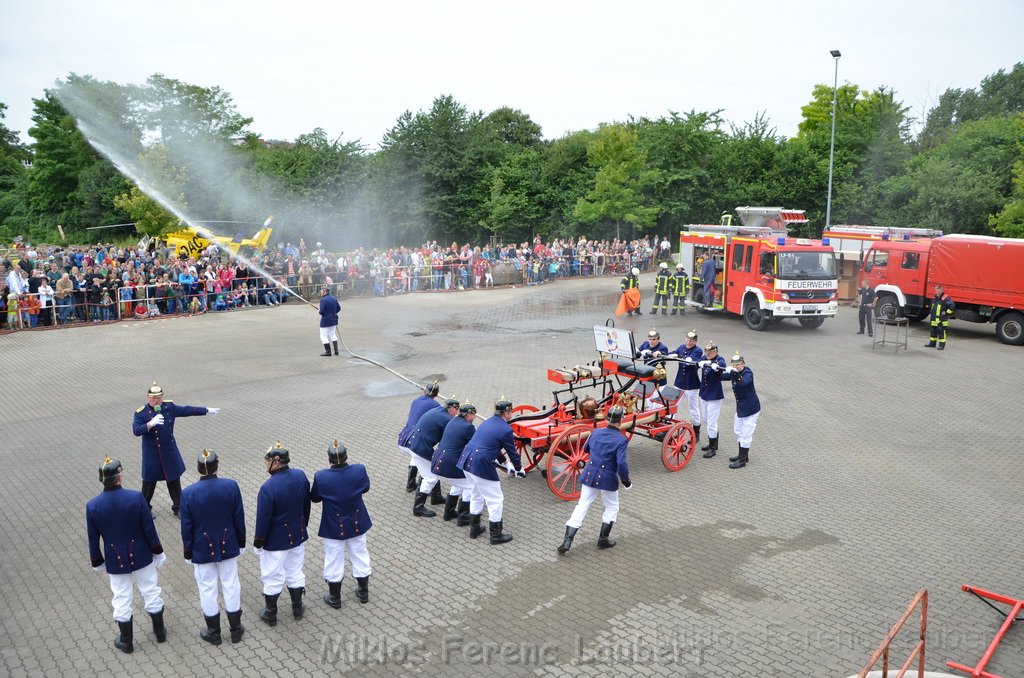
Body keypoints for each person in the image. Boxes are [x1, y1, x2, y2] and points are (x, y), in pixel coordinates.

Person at [86, 456, 167, 654]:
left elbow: (93, 539)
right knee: (150, 590)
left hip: (115, 558)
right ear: (119, 478)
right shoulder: (136, 497)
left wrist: (97, 561)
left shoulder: (93, 506)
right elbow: (149, 528)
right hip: (141, 553)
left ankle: (126, 640)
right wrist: (157, 551)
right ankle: (160, 632)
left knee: (121, 597)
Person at [179, 449, 246, 645]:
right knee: (231, 584)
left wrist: (187, 551)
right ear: (217, 465)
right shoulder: (231, 486)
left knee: (207, 589)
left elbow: (187, 527)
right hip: (228, 542)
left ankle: (214, 633)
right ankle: (235, 630)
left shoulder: (188, 493)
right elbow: (238, 518)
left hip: (202, 548)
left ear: (198, 469)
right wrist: (241, 542)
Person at [131, 382, 220, 517]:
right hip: (152, 455)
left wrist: (206, 410)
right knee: (149, 484)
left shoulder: (169, 407)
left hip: (168, 452)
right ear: (148, 398)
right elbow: (136, 430)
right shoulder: (141, 413)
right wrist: (150, 424)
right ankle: (144, 509)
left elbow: (187, 410)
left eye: (159, 397)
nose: (156, 401)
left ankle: (178, 507)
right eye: (153, 398)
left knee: (173, 480)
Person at [557, 406, 631, 555]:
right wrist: (625, 480)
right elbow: (621, 463)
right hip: (608, 478)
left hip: (590, 475)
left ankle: (567, 540)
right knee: (611, 507)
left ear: (607, 418)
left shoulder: (596, 432)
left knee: (582, 506)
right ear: (621, 420)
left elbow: (585, 449)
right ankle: (603, 539)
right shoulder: (621, 440)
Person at [254, 442, 311, 626]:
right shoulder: (300, 475)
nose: (265, 463)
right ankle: (297, 608)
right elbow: (306, 506)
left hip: (276, 540)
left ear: (276, 462)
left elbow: (263, 519)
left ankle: (271, 613)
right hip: (297, 534)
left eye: (267, 460)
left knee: (272, 576)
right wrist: (303, 526)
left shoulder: (268, 488)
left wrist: (258, 542)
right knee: (295, 571)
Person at [310, 440, 373, 608]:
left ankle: (335, 597)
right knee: (360, 553)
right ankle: (363, 592)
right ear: (347, 456)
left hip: (333, 524)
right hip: (357, 520)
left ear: (329, 459)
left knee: (334, 558)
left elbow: (315, 498)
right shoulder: (359, 469)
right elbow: (365, 487)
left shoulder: (321, 476)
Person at [456, 398, 524, 545]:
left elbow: (493, 445)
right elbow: (512, 452)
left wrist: (504, 463)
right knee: (495, 500)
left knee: (476, 495)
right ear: (506, 413)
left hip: (467, 461)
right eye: (510, 411)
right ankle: (496, 535)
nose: (511, 414)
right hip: (481, 465)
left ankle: (474, 529)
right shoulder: (506, 429)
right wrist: (519, 469)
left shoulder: (487, 422)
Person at [408, 396, 460, 517]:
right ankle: (418, 508)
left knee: (430, 472)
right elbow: (450, 437)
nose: (457, 413)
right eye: (456, 410)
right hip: (421, 449)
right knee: (431, 477)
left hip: (417, 445)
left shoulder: (438, 410)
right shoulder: (446, 419)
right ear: (452, 409)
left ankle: (436, 497)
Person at [430, 402, 478, 524]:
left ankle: (449, 512)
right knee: (470, 486)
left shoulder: (453, 421)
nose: (475, 417)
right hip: (450, 463)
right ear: (469, 414)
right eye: (474, 414)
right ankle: (463, 516)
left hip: (439, 461)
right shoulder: (468, 427)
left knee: (458, 484)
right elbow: (476, 445)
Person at [398, 382, 441, 492]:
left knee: (415, 456)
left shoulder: (416, 401)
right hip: (416, 438)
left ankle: (411, 483)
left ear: (424, 390)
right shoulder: (436, 406)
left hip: (404, 436)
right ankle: (430, 492)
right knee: (426, 465)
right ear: (437, 394)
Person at [723, 352, 760, 469]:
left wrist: (735, 373)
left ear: (743, 364)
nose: (736, 367)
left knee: (746, 433)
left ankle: (742, 460)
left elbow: (743, 382)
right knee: (738, 430)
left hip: (751, 408)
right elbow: (720, 377)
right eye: (734, 365)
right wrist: (714, 368)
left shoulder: (747, 373)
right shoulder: (735, 372)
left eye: (738, 365)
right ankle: (742, 454)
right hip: (741, 407)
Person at [671, 330, 704, 442]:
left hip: (691, 385)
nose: (689, 342)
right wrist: (671, 355)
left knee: (693, 409)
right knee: (673, 406)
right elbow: (675, 352)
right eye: (688, 340)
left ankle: (696, 432)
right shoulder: (681, 347)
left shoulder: (698, 350)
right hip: (679, 382)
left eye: (692, 341)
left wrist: (687, 359)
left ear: (695, 342)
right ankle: (670, 429)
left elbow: (692, 360)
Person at [697, 342, 727, 458]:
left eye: (711, 353)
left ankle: (712, 447)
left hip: (714, 396)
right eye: (707, 353)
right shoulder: (705, 358)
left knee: (711, 423)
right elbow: (697, 363)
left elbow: (722, 364)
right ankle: (714, 442)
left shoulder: (719, 359)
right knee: (705, 419)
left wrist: (714, 365)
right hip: (704, 393)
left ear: (716, 352)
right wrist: (700, 363)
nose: (708, 355)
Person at [925, 284, 955, 350]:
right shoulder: (935, 297)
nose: (937, 292)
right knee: (933, 331)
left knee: (941, 332)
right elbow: (933, 305)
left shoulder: (946, 298)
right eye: (936, 291)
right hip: (933, 318)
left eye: (939, 291)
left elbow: (952, 306)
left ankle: (941, 345)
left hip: (941, 319)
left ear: (942, 291)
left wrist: (946, 313)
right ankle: (932, 343)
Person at [318, 285, 341, 357]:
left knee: (323, 336)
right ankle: (336, 351)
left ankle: (328, 352)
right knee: (332, 334)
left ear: (325, 291)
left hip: (326, 321)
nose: (320, 292)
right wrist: (333, 313)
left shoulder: (323, 300)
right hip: (334, 320)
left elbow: (321, 312)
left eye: (321, 291)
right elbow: (339, 308)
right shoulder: (334, 298)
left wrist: (319, 311)